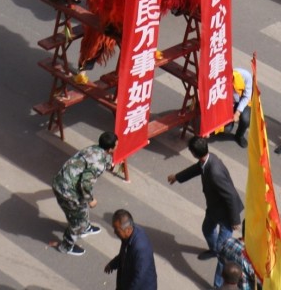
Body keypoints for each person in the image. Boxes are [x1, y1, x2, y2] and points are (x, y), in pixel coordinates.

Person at [168, 136, 243, 271]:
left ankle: (219, 284)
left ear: (194, 154)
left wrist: (235, 221)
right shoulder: (208, 159)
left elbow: (230, 195)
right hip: (214, 208)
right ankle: (213, 250)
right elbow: (197, 169)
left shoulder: (215, 172)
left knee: (223, 252)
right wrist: (177, 177)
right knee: (207, 229)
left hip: (226, 215)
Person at [52, 130, 117, 256]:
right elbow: (85, 184)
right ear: (110, 149)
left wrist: (111, 165)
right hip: (69, 192)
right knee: (77, 221)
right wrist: (91, 199)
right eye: (116, 145)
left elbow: (104, 160)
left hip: (59, 182)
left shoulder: (94, 149)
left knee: (80, 210)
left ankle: (85, 227)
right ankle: (66, 245)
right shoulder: (98, 164)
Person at [104, 210, 157, 290]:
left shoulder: (141, 248)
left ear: (128, 230)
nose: (115, 232)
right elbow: (124, 255)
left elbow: (139, 278)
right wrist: (113, 264)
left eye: (117, 230)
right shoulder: (127, 237)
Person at [224, 67, 252, 148]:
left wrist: (237, 112)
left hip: (242, 101)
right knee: (227, 129)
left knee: (245, 120)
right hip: (229, 103)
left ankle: (239, 135)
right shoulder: (221, 80)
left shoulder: (246, 76)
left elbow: (247, 96)